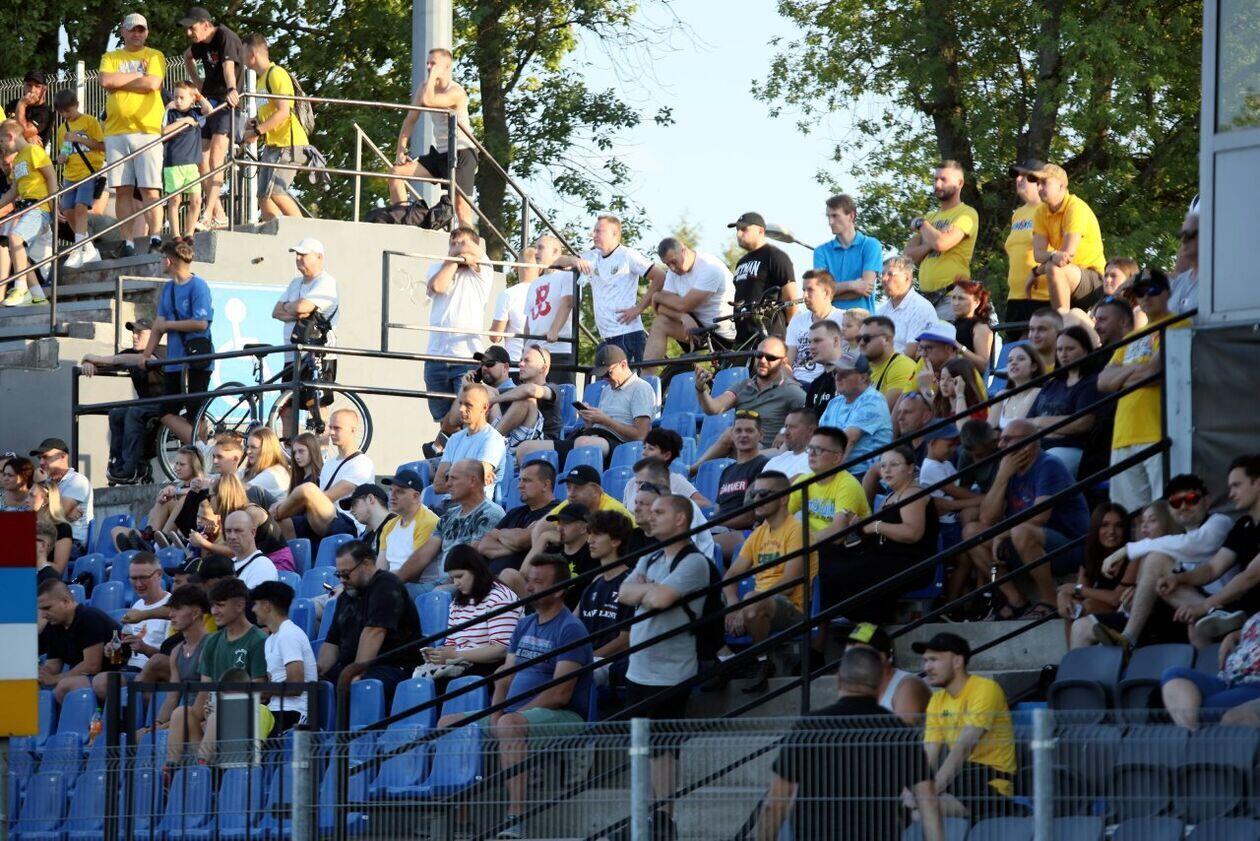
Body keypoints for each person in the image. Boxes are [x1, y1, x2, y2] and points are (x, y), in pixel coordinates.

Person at [755, 646, 943, 841]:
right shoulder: (898, 731)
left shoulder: (809, 726)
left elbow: (774, 804)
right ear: (881, 684)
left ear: (838, 679)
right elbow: (928, 801)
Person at [618, 494, 715, 840]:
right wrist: (648, 591)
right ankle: (643, 816)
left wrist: (647, 591)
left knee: (663, 748)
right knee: (640, 747)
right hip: (638, 667)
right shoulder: (650, 555)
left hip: (671, 671)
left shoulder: (695, 562)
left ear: (680, 520)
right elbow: (623, 592)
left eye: (660, 511)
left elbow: (660, 599)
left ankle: (663, 819)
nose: (651, 515)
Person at [1095, 461, 1260, 653]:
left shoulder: (1220, 522)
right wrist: (1177, 579)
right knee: (1170, 589)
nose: (1183, 506)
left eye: (1191, 499)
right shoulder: (1244, 524)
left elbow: (1196, 546)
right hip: (1211, 608)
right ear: (1170, 509)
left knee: (1157, 560)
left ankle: (1130, 639)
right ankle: (1128, 640)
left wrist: (1127, 549)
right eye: (1175, 502)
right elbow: (1211, 569)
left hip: (1234, 606)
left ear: (1206, 501)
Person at [489, 555, 593, 839]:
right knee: (450, 724)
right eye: (529, 580)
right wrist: (496, 714)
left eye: (538, 581)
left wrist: (511, 717)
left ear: (559, 590)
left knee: (509, 726)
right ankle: (459, 823)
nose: (530, 587)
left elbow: (561, 693)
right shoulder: (524, 624)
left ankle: (516, 818)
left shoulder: (570, 628)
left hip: (563, 715)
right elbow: (505, 677)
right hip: (513, 716)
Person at [965, 419, 1089, 620]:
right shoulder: (1008, 468)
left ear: (1029, 444)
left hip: (1069, 545)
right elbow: (987, 517)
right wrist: (1002, 477)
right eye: (1001, 439)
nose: (1000, 445)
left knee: (1021, 532)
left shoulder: (1049, 465)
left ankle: (1050, 600)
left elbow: (1039, 516)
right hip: (1025, 543)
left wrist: (1001, 534)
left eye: (1007, 439)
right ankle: (1015, 599)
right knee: (972, 533)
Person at [822, 446, 938, 623]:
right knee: (825, 554)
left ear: (910, 468)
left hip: (909, 563)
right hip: (883, 557)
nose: (887, 470)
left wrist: (876, 526)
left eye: (894, 464)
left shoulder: (913, 493)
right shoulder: (890, 496)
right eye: (883, 466)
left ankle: (867, 623)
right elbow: (878, 531)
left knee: (848, 572)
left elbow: (912, 533)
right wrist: (861, 526)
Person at [1098, 269, 1182, 511]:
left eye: (1152, 289)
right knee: (1128, 517)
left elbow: (1153, 373)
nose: (1145, 297)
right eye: (1139, 292)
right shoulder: (1132, 337)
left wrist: (1122, 375)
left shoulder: (1177, 324)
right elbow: (1102, 382)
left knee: (1163, 514)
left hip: (1158, 433)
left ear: (1167, 292)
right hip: (1123, 435)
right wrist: (1138, 371)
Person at [722, 471, 814, 691]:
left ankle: (762, 662)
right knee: (700, 604)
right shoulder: (759, 533)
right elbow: (731, 575)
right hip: (757, 604)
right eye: (754, 494)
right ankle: (724, 663)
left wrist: (748, 603)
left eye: (764, 494)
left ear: (784, 498)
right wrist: (733, 604)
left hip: (792, 608)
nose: (756, 499)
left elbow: (789, 582)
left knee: (752, 601)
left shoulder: (798, 531)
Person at [916, 632, 1017, 818]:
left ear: (957, 661)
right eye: (925, 661)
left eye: (934, 660)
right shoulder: (937, 700)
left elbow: (963, 748)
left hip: (992, 784)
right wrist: (912, 789)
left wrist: (929, 792)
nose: (927, 667)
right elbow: (929, 753)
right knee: (899, 808)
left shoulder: (985, 689)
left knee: (919, 812)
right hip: (959, 779)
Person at [172, 577, 268, 766]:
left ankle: (202, 768)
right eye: (213, 606)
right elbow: (204, 691)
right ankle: (170, 772)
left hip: (242, 720)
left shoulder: (258, 640)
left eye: (220, 605)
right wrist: (201, 717)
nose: (214, 611)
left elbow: (261, 691)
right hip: (213, 719)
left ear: (240, 605)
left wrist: (223, 705)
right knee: (181, 713)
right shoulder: (212, 642)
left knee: (219, 713)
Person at [552, 213, 665, 363]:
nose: (594, 235)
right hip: (606, 338)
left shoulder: (627, 255)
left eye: (599, 231)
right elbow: (556, 261)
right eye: (594, 231)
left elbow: (660, 276)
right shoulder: (592, 256)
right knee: (600, 378)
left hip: (628, 334)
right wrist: (574, 260)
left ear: (615, 234)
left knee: (629, 378)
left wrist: (639, 308)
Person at [516, 343, 655, 465]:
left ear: (623, 365)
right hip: (594, 440)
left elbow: (641, 435)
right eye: (602, 375)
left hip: (621, 445)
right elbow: (596, 428)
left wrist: (605, 420)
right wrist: (590, 421)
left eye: (608, 373)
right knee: (525, 448)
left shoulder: (640, 387)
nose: (605, 378)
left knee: (584, 443)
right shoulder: (607, 390)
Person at [99, 13, 166, 258]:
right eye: (132, 30)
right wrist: (138, 76)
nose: (137, 34)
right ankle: (127, 241)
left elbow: (152, 84)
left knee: (150, 189)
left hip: (147, 131)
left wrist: (119, 82)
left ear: (146, 32)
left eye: (141, 30)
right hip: (116, 131)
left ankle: (156, 236)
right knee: (122, 189)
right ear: (123, 32)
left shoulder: (155, 55)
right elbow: (105, 80)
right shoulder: (110, 57)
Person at [319, 540, 422, 697]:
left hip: (392, 667)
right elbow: (332, 642)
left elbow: (374, 631)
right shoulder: (345, 597)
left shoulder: (386, 584)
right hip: (355, 666)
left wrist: (354, 673)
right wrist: (318, 671)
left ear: (366, 564)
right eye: (339, 575)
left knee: (358, 686)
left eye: (346, 574)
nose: (342, 580)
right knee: (318, 687)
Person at [390, 47, 477, 225]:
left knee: (461, 209)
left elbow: (429, 101)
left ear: (446, 67)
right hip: (440, 154)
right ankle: (402, 220)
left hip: (462, 153)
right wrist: (400, 151)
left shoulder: (455, 92)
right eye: (428, 63)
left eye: (434, 64)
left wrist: (432, 78)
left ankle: (468, 241)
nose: (429, 67)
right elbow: (410, 119)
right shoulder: (425, 87)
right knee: (395, 173)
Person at [141, 240, 214, 446]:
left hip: (197, 359)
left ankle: (200, 449)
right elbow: (158, 325)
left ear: (168, 261)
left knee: (195, 413)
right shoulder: (168, 288)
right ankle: (200, 448)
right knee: (167, 411)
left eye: (161, 259)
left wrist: (169, 325)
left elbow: (201, 323)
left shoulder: (198, 286)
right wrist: (146, 355)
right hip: (174, 362)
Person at [78, 317, 167, 484]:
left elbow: (135, 360)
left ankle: (132, 468)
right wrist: (88, 362)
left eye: (139, 333)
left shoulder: (162, 350)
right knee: (116, 413)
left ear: (153, 335)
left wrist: (98, 358)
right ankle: (118, 466)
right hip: (144, 404)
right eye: (133, 332)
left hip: (166, 402)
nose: (134, 336)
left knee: (134, 412)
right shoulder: (129, 353)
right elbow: (108, 361)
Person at [180, 6, 245, 232]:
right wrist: (197, 83)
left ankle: (207, 215)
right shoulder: (200, 44)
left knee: (217, 158)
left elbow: (228, 67)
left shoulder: (225, 36)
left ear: (206, 24)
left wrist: (232, 89)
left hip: (227, 104)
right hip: (209, 102)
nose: (189, 33)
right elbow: (187, 57)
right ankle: (220, 213)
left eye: (192, 28)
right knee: (201, 160)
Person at [692, 336, 805, 462]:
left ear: (783, 362)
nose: (763, 360)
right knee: (731, 433)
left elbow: (809, 420)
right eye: (759, 355)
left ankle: (695, 469)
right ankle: (695, 469)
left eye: (771, 357)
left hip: (767, 456)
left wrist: (785, 431)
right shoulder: (744, 386)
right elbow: (714, 408)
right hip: (740, 450)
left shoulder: (791, 391)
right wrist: (700, 389)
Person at [272, 408, 375, 540]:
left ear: (353, 430)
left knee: (307, 489)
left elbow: (329, 497)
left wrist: (285, 505)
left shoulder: (362, 463)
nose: (331, 432)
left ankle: (277, 512)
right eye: (330, 427)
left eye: (337, 428)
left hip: (349, 524)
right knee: (276, 521)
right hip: (321, 520)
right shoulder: (329, 464)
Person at [424, 227, 492, 421]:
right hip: (435, 357)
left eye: (462, 243)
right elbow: (438, 286)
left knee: (468, 416)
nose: (457, 247)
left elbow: (476, 250)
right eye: (452, 244)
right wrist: (454, 259)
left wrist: (463, 253)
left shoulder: (483, 270)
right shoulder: (438, 267)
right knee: (443, 418)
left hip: (466, 358)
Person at [425, 546, 521, 684]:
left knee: (443, 685)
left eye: (460, 576)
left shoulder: (500, 597)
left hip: (490, 666)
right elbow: (451, 644)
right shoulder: (457, 602)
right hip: (464, 664)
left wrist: (455, 655)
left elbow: (501, 650)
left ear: (475, 570)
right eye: (452, 578)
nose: (456, 583)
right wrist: (439, 655)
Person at [241, 33, 308, 221]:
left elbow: (283, 111)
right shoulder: (261, 80)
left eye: (243, 53)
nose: (241, 58)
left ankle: (305, 232)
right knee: (263, 196)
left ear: (252, 54)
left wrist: (257, 131)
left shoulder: (276, 74)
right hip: (272, 146)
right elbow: (269, 111)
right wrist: (255, 121)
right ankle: (274, 232)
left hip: (288, 144)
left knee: (277, 192)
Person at [643, 237, 737, 367]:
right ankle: (647, 377)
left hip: (723, 334)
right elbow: (660, 308)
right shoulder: (673, 272)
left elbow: (683, 305)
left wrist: (657, 296)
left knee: (667, 314)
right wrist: (683, 317)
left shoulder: (710, 267)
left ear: (684, 250)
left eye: (673, 262)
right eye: (667, 264)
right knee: (660, 321)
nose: (672, 268)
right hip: (697, 328)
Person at [904, 161, 980, 318]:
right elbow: (908, 256)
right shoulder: (930, 218)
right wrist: (931, 242)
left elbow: (941, 243)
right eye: (935, 179)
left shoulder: (967, 213)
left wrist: (920, 223)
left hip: (951, 297)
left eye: (943, 180)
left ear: (960, 183)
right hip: (924, 300)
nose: (937, 184)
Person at [1161, 611, 1260, 730]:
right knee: (1175, 674)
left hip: (1255, 685)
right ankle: (1191, 732)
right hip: (1226, 681)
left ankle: (1194, 734)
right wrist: (1234, 635)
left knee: (1208, 709)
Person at [1029, 163, 1106, 313]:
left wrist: (1036, 272)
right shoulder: (1040, 212)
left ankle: (1062, 320)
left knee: (1053, 268)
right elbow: (1038, 254)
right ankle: (1061, 319)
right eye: (1037, 184)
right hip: (1069, 278)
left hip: (1095, 281)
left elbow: (1065, 257)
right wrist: (1052, 255)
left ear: (1062, 185)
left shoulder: (1075, 207)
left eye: (1044, 183)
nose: (1039, 188)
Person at [1028, 326, 1102, 477]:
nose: (1063, 354)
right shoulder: (1052, 384)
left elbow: (1083, 423)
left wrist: (1041, 422)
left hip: (1071, 449)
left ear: (1085, 350)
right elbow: (1030, 421)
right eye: (1060, 349)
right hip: (1041, 446)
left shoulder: (1092, 382)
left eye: (1070, 349)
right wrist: (1052, 428)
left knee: (1046, 466)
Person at [576, 510, 636, 688]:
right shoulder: (595, 582)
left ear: (616, 540)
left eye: (597, 534)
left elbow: (625, 641)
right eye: (590, 534)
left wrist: (587, 659)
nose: (590, 540)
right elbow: (572, 622)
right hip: (587, 660)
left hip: (613, 663)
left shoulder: (631, 582)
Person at [1062, 504, 1135, 648]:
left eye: (1118, 526)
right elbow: (1078, 594)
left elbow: (1116, 599)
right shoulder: (1090, 554)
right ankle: (1072, 657)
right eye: (1105, 525)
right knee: (1072, 610)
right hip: (1099, 609)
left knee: (1087, 606)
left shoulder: (1132, 555)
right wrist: (1063, 596)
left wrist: (1077, 590)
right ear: (1096, 528)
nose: (1111, 531)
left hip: (1126, 612)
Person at [37, 579, 122, 703]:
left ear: (66, 601)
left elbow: (91, 666)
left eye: (47, 608)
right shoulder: (54, 626)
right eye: (41, 610)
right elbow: (53, 666)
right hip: (90, 679)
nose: (43, 615)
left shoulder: (89, 618)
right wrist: (41, 675)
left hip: (117, 674)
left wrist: (54, 679)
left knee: (65, 687)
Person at [0, 118, 54, 306]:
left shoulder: (33, 151)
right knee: (19, 254)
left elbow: (51, 176)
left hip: (39, 207)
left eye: (1, 141)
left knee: (15, 238)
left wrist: (53, 204)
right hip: (27, 208)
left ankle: (21, 289)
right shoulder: (18, 160)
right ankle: (38, 296)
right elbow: (14, 191)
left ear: (10, 136)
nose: (1, 146)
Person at [251, 580, 317, 733]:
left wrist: (259, 690)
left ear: (267, 606)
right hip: (274, 712)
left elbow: (296, 686)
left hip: (294, 714)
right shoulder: (271, 640)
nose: (253, 609)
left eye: (255, 604)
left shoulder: (289, 635)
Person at [145, 585, 212, 737]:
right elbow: (172, 697)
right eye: (171, 609)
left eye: (177, 609)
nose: (171, 615)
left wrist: (167, 726)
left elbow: (205, 695)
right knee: (140, 737)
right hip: (181, 719)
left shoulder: (210, 646)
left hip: (204, 720)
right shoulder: (176, 651)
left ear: (195, 613)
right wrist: (158, 724)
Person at [51, 88, 105, 267]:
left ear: (76, 105)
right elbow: (65, 151)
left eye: (68, 110)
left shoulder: (89, 121)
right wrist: (61, 158)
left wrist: (79, 139)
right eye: (61, 112)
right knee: (67, 209)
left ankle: (77, 247)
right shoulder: (62, 129)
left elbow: (101, 145)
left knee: (81, 206)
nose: (65, 115)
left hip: (88, 172)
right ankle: (86, 246)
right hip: (70, 174)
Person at [788, 426, 872, 538]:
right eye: (810, 448)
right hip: (813, 544)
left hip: (840, 547)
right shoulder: (804, 481)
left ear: (836, 458)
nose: (811, 453)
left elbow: (837, 533)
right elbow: (780, 517)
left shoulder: (848, 485)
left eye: (818, 450)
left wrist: (799, 544)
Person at [478, 459, 559, 575]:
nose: (519, 486)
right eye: (520, 480)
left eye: (526, 480)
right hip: (491, 580)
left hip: (522, 581)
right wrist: (520, 546)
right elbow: (484, 546)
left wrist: (498, 534)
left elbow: (521, 540)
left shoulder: (556, 511)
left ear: (546, 485)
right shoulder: (514, 513)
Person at [819, 353, 893, 477]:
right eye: (836, 373)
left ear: (863, 378)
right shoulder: (834, 403)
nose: (837, 377)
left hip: (865, 476)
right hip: (840, 473)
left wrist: (826, 476)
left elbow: (848, 441)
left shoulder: (873, 400)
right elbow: (820, 439)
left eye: (844, 374)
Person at [844, 622, 932, 725]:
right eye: (848, 656)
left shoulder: (909, 685)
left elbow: (901, 732)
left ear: (882, 657)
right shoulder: (859, 687)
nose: (852, 662)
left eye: (859, 656)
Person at [730, 211, 798, 340]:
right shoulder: (741, 262)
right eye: (737, 230)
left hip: (769, 335)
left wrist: (789, 330)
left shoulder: (775, 256)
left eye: (744, 229)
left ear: (761, 231)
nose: (738, 234)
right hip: (743, 338)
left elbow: (791, 298)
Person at [810, 193, 882, 312]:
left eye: (835, 216)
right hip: (831, 321)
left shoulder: (871, 245)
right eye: (828, 216)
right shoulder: (821, 251)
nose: (830, 222)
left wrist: (830, 294)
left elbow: (866, 289)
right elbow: (819, 292)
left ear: (851, 216)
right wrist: (851, 285)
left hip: (863, 320)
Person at [431, 459, 506, 571]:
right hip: (440, 579)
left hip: (460, 579)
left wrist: (446, 582)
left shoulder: (490, 514)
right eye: (447, 478)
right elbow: (426, 552)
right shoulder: (449, 515)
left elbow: (470, 563)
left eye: (454, 478)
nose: (448, 484)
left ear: (472, 481)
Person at [711, 412, 770, 555]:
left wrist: (715, 522)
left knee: (695, 547)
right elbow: (719, 508)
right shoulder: (727, 471)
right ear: (732, 435)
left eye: (749, 431)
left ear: (761, 435)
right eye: (738, 431)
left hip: (744, 532)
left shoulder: (764, 465)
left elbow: (752, 515)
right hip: (719, 529)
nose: (743, 435)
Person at [435, 383, 508, 497]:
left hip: (476, 506)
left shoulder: (493, 440)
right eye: (460, 403)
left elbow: (474, 482)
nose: (461, 409)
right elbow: (438, 485)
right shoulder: (454, 439)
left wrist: (450, 478)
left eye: (468, 405)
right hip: (448, 504)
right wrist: (466, 480)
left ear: (485, 407)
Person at [521, 235, 576, 382]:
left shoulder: (567, 275)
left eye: (541, 248)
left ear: (555, 252)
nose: (536, 252)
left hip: (558, 350)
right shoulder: (534, 283)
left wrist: (554, 330)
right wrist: (525, 348)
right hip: (535, 353)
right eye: (535, 247)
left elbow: (568, 303)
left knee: (559, 392)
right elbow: (529, 320)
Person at [487, 346, 564, 449]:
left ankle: (490, 444)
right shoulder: (517, 391)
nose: (520, 364)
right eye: (521, 360)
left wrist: (492, 400)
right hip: (511, 441)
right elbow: (492, 391)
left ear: (543, 368)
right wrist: (470, 385)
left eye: (527, 360)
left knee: (527, 399)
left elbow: (530, 391)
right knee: (485, 392)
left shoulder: (553, 389)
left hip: (539, 447)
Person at [160, 80, 208, 244]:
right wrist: (183, 121)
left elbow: (209, 110)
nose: (178, 101)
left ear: (191, 99)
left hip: (192, 163)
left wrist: (199, 95)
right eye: (176, 97)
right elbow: (164, 131)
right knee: (175, 200)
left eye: (182, 97)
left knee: (196, 199)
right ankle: (175, 234)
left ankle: (189, 233)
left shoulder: (196, 112)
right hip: (174, 163)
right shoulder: (171, 113)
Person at [1002, 159, 1046, 325]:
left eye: (1026, 176)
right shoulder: (1018, 214)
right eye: (1017, 175)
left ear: (1040, 181)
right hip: (1014, 297)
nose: (1019, 179)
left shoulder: (1049, 210)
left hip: (1041, 296)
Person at [784, 269, 844, 385]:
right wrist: (792, 383)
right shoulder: (797, 320)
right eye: (803, 290)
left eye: (810, 290)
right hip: (796, 383)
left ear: (826, 293)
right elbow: (786, 363)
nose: (804, 295)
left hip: (827, 384)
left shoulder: (843, 319)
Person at [31, 438, 92, 549]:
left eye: (46, 457)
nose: (41, 463)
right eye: (39, 458)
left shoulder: (77, 480)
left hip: (72, 544)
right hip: (46, 539)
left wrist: (40, 484)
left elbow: (54, 516)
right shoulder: (47, 483)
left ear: (63, 456)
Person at [621, 429, 708, 506]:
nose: (644, 453)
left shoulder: (676, 480)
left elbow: (704, 503)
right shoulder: (631, 483)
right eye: (644, 448)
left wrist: (672, 505)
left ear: (666, 455)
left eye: (651, 448)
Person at [875, 256, 937, 358]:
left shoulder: (921, 308)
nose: (884, 279)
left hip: (902, 366)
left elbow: (911, 354)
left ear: (907, 278)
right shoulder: (881, 311)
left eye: (890, 274)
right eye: (882, 274)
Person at [860, 315, 918, 412]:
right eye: (858, 338)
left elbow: (881, 412)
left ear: (886, 339)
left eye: (866, 338)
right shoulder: (861, 367)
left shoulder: (901, 366)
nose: (861, 343)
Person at [987, 344, 1043, 430]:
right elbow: (989, 429)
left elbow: (1017, 428)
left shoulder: (1038, 392)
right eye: (1010, 360)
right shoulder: (1001, 395)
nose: (1013, 363)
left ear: (1034, 366)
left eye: (1021, 359)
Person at [223, 510, 279, 588]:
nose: (232, 536)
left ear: (253, 532)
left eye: (238, 531)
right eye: (228, 531)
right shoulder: (230, 563)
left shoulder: (262, 566)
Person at [336, 483, 396, 555]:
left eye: (354, 503)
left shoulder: (397, 527)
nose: (351, 510)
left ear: (370, 499)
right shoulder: (368, 537)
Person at [949, 279, 995, 370]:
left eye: (961, 298)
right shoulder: (954, 324)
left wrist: (960, 348)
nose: (955, 303)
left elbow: (985, 366)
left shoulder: (980, 327)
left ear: (976, 302)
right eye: (953, 298)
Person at [763, 406, 817, 480]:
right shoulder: (776, 460)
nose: (786, 432)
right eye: (786, 427)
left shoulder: (815, 459)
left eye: (792, 427)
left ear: (810, 430)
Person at [801, 319, 845, 410]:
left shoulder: (853, 377)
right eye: (809, 342)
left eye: (817, 340)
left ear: (835, 341)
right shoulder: (816, 384)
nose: (811, 347)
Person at [489, 273, 529, 363]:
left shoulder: (508, 294)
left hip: (514, 361)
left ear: (516, 267)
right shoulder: (549, 292)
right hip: (540, 364)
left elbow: (495, 337)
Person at [6, 71, 52, 144]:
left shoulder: (45, 112)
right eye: (29, 85)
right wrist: (29, 136)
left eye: (37, 86)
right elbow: (2, 128)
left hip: (30, 151)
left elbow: (23, 132)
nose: (32, 90)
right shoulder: (13, 104)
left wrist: (22, 104)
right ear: (24, 86)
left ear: (44, 89)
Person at [1169, 211, 1199, 316]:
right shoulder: (1177, 283)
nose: (1183, 240)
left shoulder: (1217, 281)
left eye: (1188, 235)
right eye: (1181, 235)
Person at [1026, 308, 1062, 374]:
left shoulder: (1069, 368)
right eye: (1032, 329)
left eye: (1041, 329)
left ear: (1058, 333)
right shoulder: (1023, 370)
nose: (1035, 335)